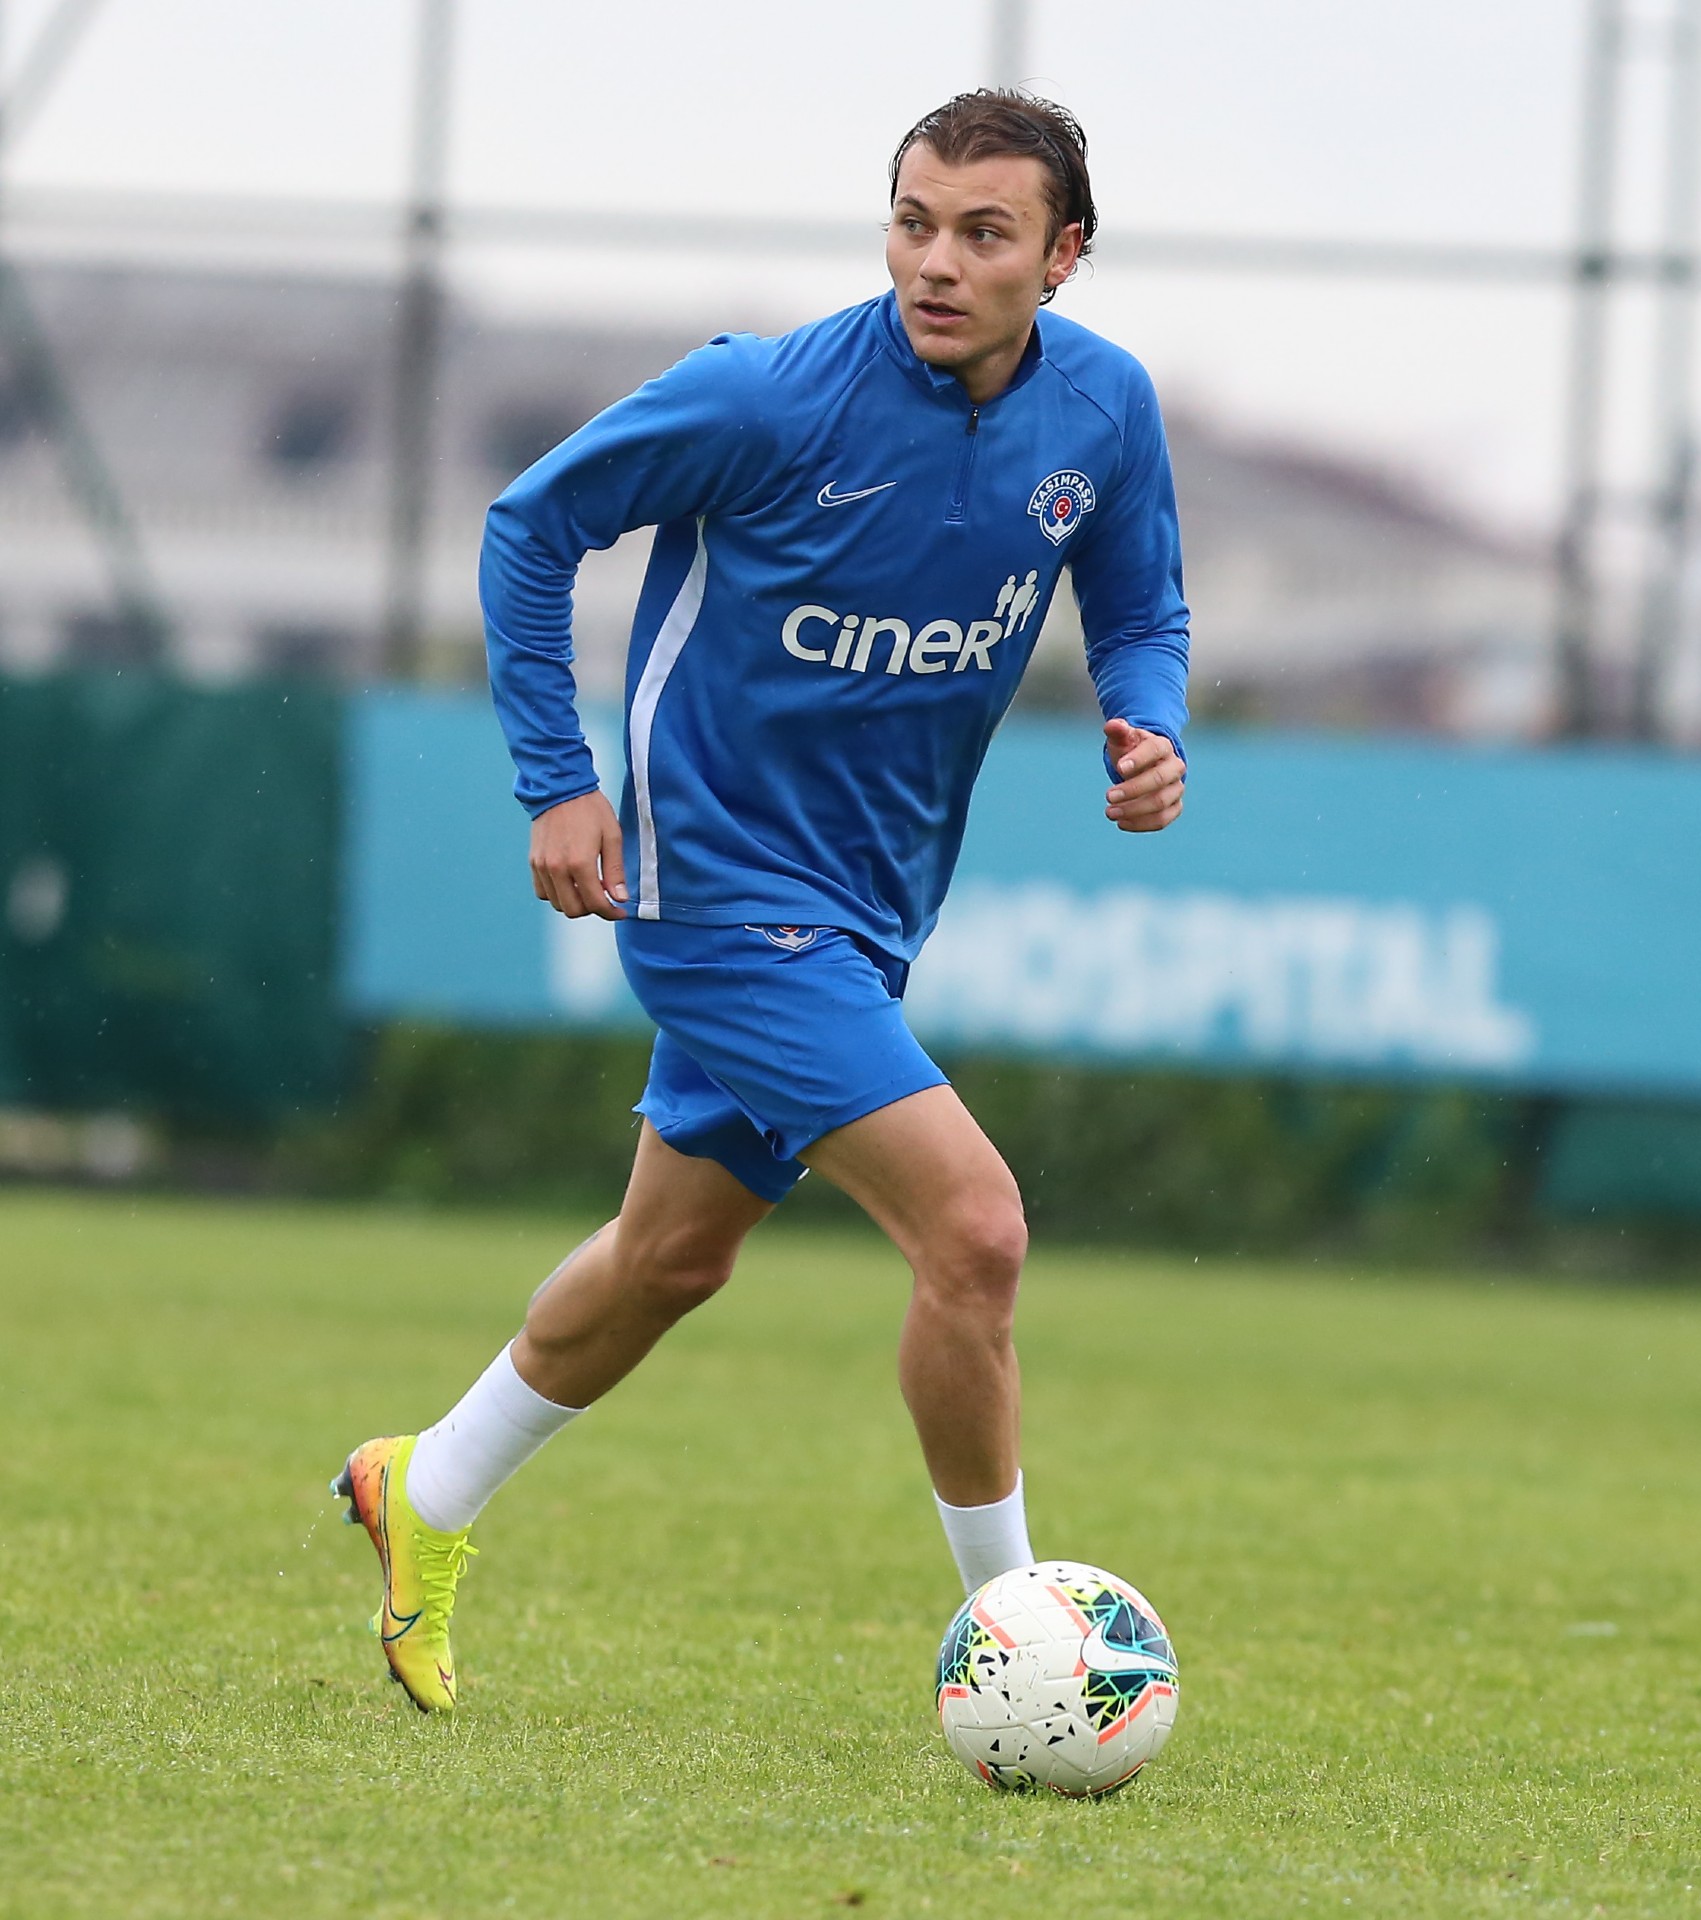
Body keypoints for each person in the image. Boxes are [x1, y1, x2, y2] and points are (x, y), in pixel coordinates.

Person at [333, 87, 1190, 1713]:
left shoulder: (1104, 409)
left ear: (1062, 257)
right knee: (975, 1230)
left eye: (985, 233)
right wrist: (556, 780)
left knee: (672, 1259)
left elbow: (1140, 605)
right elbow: (530, 528)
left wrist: (1153, 723)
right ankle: (1022, 1640)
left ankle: (423, 1486)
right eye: (914, 223)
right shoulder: (767, 395)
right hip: (712, 886)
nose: (937, 263)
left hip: (871, 904)